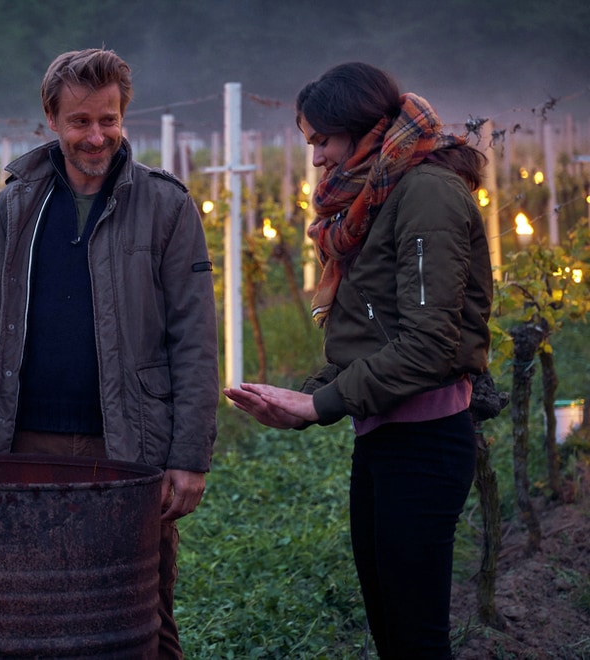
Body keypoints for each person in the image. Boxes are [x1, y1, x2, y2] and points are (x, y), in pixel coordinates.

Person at [0, 48, 219, 658]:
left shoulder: (166, 206)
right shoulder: (18, 205)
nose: (95, 136)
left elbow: (195, 339)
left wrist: (188, 455)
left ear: (124, 115)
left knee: (141, 620)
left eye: (108, 119)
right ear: (51, 118)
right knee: (28, 612)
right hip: (26, 443)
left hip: (126, 447)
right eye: (79, 122)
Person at [225, 62, 492, 658]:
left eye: (323, 140)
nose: (316, 158)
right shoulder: (379, 197)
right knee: (391, 630)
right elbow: (375, 333)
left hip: (423, 443)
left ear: (363, 131)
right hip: (385, 437)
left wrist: (323, 402)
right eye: (311, 142)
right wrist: (306, 400)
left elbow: (428, 345)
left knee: (416, 639)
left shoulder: (426, 193)